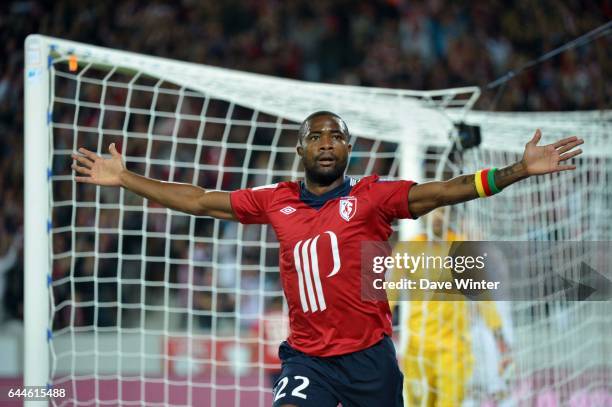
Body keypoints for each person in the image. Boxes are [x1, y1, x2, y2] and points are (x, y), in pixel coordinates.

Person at [71, 111, 583, 407]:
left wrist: (516, 170)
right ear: (300, 149)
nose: (326, 142)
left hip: (370, 360)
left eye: (336, 135)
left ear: (348, 149)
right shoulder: (275, 199)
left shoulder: (374, 196)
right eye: (316, 135)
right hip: (307, 359)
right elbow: (200, 200)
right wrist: (125, 178)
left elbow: (443, 192)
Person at [388, 208, 511, 406]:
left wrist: (499, 336)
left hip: (454, 349)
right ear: (423, 213)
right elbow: (389, 298)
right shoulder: (407, 248)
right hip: (418, 350)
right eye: (432, 211)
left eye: (442, 211)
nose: (438, 216)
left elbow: (483, 297)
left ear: (449, 215)